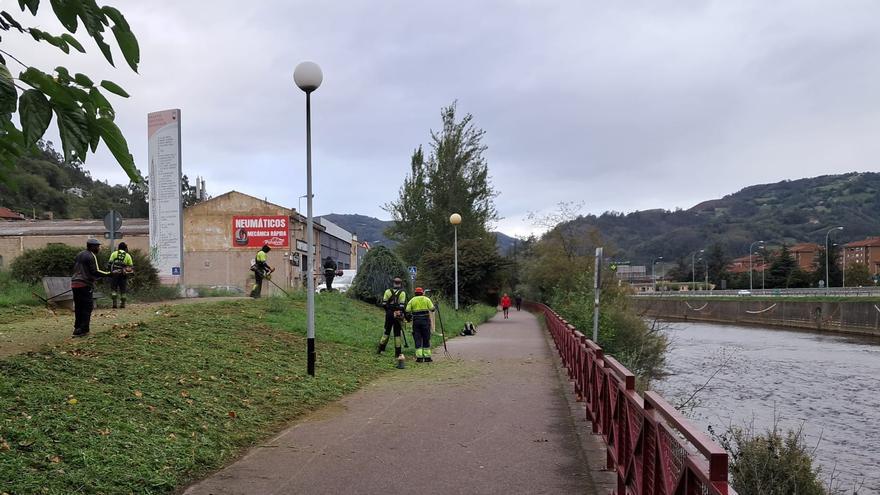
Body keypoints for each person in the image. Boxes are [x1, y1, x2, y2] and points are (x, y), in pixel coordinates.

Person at [71, 238, 110, 337]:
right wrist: (109, 274)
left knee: (79, 307)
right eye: (97, 246)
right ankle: (84, 330)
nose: (98, 248)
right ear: (92, 247)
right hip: (84, 284)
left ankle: (77, 328)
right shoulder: (91, 256)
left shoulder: (79, 254)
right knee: (87, 307)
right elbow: (95, 271)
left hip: (75, 284)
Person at [377, 277, 407, 368]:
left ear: (393, 283)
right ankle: (398, 352)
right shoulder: (402, 293)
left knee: (386, 331)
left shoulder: (387, 291)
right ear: (400, 284)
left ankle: (381, 349)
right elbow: (402, 306)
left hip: (389, 314)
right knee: (397, 333)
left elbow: (383, 304)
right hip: (397, 314)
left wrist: (388, 311)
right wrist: (398, 312)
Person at [405, 287, 435, 363]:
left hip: (416, 322)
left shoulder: (412, 300)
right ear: (422, 293)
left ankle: (419, 358)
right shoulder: (426, 299)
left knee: (417, 338)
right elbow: (432, 309)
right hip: (425, 321)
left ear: (415, 293)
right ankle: (427, 357)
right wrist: (435, 306)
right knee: (426, 338)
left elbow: (407, 311)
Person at [107, 242, 134, 309]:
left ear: (118, 248)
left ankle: (114, 303)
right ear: (125, 248)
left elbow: (109, 264)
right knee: (123, 289)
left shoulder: (114, 254)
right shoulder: (128, 255)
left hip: (114, 274)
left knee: (114, 288)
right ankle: (122, 304)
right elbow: (130, 266)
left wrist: (110, 272)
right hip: (123, 275)